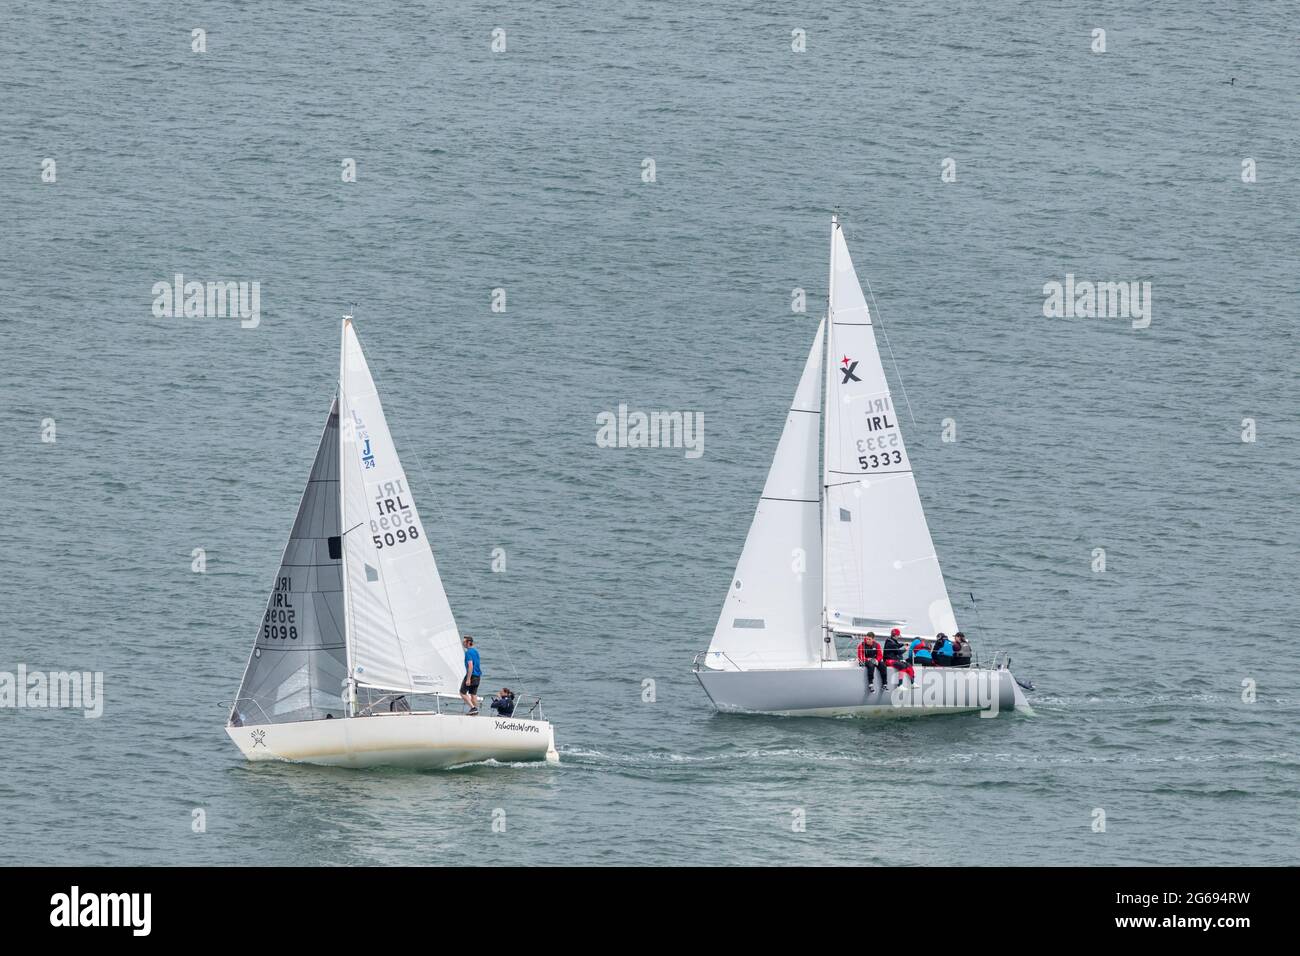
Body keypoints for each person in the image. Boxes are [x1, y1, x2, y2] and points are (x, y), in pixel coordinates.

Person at [460, 635, 482, 714]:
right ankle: (476, 711)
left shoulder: (468, 652)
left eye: (464, 642)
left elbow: (470, 666)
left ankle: (473, 708)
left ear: (469, 643)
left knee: (462, 692)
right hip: (478, 676)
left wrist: (468, 679)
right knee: (473, 695)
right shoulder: (475, 651)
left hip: (472, 675)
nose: (463, 643)